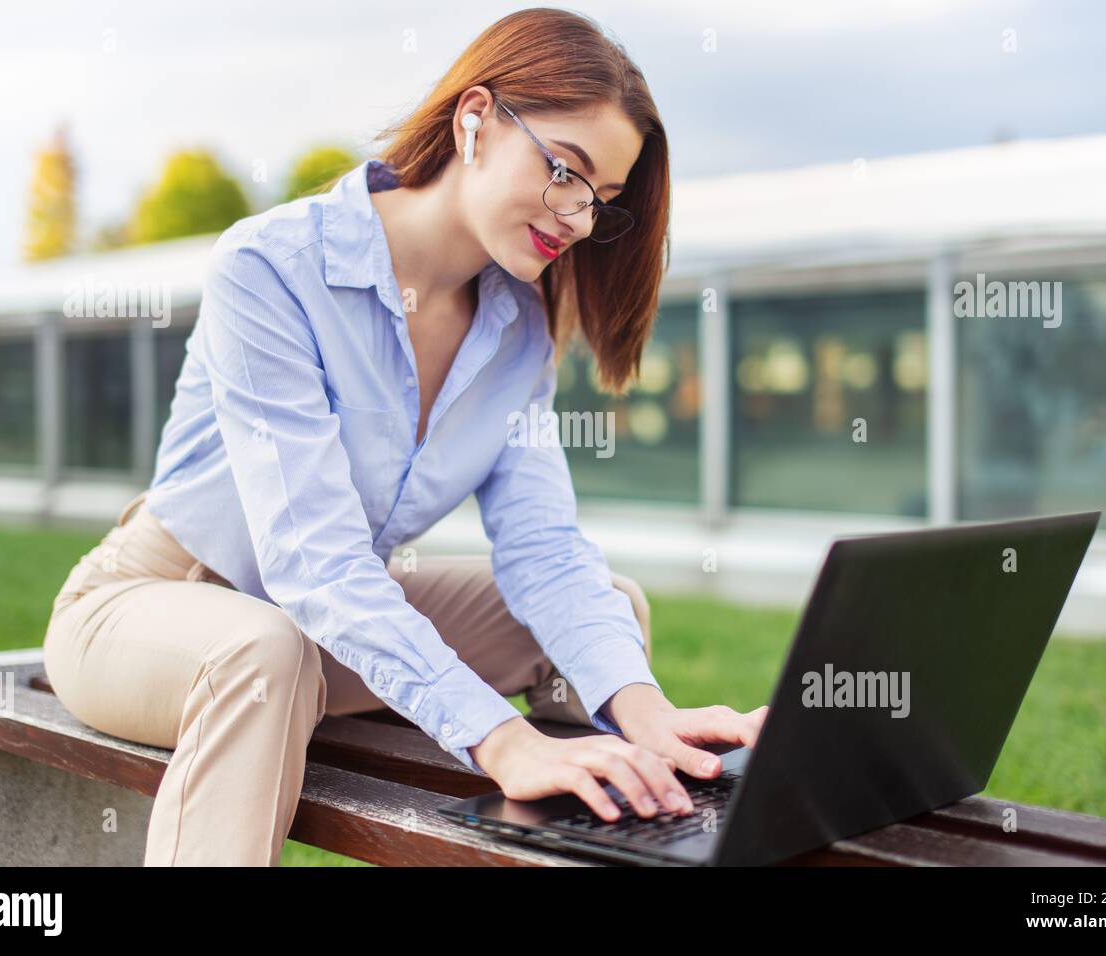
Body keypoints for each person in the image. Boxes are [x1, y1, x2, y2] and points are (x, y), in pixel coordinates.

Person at [42, 6, 767, 866]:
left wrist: (649, 714)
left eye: (601, 201)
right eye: (567, 173)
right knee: (261, 650)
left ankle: (621, 820)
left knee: (610, 616)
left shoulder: (521, 329)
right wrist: (501, 739)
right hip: (150, 609)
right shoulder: (271, 269)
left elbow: (543, 548)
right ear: (475, 120)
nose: (577, 218)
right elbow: (313, 558)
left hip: (316, 635)